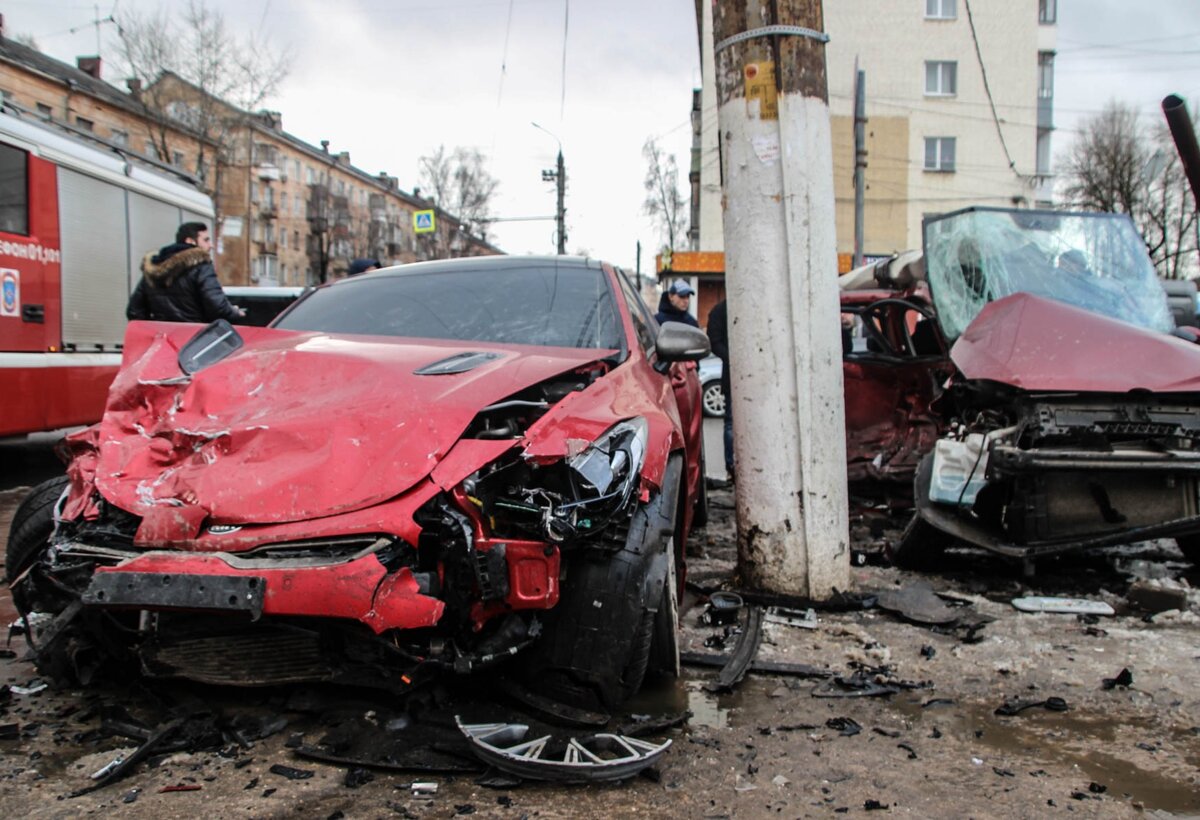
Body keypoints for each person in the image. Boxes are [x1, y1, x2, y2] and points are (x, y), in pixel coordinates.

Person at [127, 222, 244, 323]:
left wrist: (155, 327)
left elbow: (134, 311)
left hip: (164, 341)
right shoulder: (201, 267)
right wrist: (235, 313)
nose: (211, 245)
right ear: (190, 241)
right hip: (195, 341)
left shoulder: (153, 269)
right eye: (206, 240)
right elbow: (217, 306)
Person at [706, 299, 734, 483]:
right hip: (731, 375)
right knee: (731, 422)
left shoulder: (719, 309)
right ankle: (731, 467)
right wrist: (733, 358)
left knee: (731, 423)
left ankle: (731, 467)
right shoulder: (721, 310)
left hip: (736, 374)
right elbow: (714, 342)